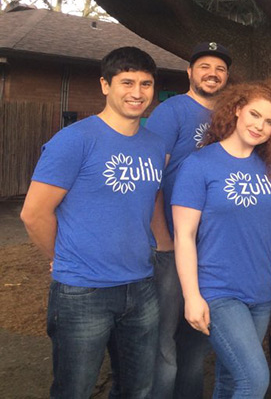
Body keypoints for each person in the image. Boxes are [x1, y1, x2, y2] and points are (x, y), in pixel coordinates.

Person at [20, 46, 165, 398]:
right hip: (82, 291)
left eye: (145, 84)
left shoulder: (155, 145)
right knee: (75, 389)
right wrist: (63, 256)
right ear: (105, 85)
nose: (137, 92)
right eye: (126, 82)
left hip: (140, 287)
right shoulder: (74, 140)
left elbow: (151, 202)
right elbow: (34, 213)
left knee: (137, 388)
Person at [172, 80, 271, 398]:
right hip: (218, 291)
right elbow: (184, 236)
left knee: (230, 379)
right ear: (237, 109)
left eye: (270, 122)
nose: (261, 126)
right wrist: (191, 296)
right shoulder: (199, 165)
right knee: (255, 379)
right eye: (255, 115)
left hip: (260, 294)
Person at [146, 40, 231, 399]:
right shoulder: (172, 112)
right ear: (190, 72)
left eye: (220, 69)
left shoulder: (230, 117)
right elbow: (150, 178)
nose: (212, 73)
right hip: (171, 243)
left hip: (208, 248)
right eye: (204, 66)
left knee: (196, 341)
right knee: (163, 342)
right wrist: (162, 237)